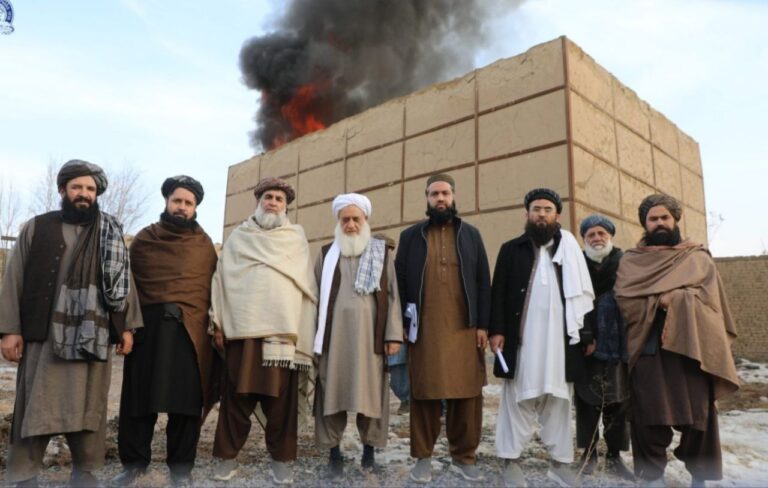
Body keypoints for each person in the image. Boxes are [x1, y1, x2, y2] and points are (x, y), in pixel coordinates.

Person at [0, 159, 141, 486]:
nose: (84, 193)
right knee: (34, 406)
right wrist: (10, 330)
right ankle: (25, 475)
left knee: (89, 408)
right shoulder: (37, 227)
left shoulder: (109, 232)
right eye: (77, 187)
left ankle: (85, 472)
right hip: (45, 337)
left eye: (90, 188)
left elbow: (125, 283)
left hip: (94, 335)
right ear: (63, 189)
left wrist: (127, 327)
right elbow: (13, 279)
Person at [615, 194, 740, 487]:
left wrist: (679, 298)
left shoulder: (697, 257)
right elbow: (624, 300)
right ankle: (652, 476)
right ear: (644, 223)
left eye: (665, 218)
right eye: (653, 219)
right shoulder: (631, 261)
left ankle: (700, 476)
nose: (659, 223)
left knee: (699, 415)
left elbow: (711, 303)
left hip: (693, 349)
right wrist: (658, 302)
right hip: (648, 348)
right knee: (647, 414)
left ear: (675, 220)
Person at [209, 177, 317, 485]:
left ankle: (282, 461)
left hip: (283, 337)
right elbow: (220, 280)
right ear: (259, 202)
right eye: (268, 197)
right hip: (242, 333)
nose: (273, 202)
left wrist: (304, 330)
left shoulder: (295, 239)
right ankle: (227, 458)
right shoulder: (238, 237)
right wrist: (217, 322)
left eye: (279, 199)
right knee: (236, 398)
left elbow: (306, 289)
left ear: (286, 207)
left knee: (282, 403)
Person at [112, 175, 218, 485]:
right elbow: (128, 288)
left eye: (188, 203)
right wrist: (125, 328)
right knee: (138, 401)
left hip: (190, 333)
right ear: (167, 202)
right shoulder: (145, 240)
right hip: (147, 331)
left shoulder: (204, 245)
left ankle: (181, 470)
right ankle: (134, 465)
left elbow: (213, 291)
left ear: (195, 207)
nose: (182, 207)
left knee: (186, 406)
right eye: (177, 201)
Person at [489, 188, 595, 488]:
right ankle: (510, 460)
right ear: (527, 214)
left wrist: (587, 334)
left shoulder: (571, 253)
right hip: (522, 340)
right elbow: (498, 293)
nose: (541, 214)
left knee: (559, 400)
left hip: (560, 343)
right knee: (516, 397)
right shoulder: (511, 249)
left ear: (557, 215)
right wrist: (496, 330)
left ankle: (560, 464)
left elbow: (582, 296)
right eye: (536, 209)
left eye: (548, 210)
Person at [395, 173, 490, 483]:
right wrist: (402, 326)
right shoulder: (411, 237)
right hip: (425, 330)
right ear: (427, 198)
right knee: (425, 394)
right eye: (434, 193)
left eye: (445, 193)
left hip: (465, 330)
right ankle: (423, 458)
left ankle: (464, 457)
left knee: (467, 394)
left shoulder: (471, 235)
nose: (440, 198)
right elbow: (400, 282)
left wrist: (483, 325)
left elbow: (483, 281)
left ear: (453, 197)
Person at [313, 193, 403, 478]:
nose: (350, 225)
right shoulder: (326, 254)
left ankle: (369, 453)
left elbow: (393, 296)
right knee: (330, 394)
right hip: (333, 340)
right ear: (338, 222)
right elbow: (314, 297)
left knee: (372, 396)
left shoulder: (380, 252)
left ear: (365, 220)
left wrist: (393, 336)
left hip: (370, 341)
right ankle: (333, 454)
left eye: (356, 219)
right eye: (345, 220)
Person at [574, 215, 632, 480]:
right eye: (591, 235)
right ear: (584, 239)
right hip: (587, 345)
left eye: (601, 234)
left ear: (610, 236)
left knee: (618, 402)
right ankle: (588, 455)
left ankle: (615, 456)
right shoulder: (577, 265)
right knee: (587, 402)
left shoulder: (625, 263)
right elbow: (574, 302)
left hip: (619, 344)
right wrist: (585, 335)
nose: (596, 238)